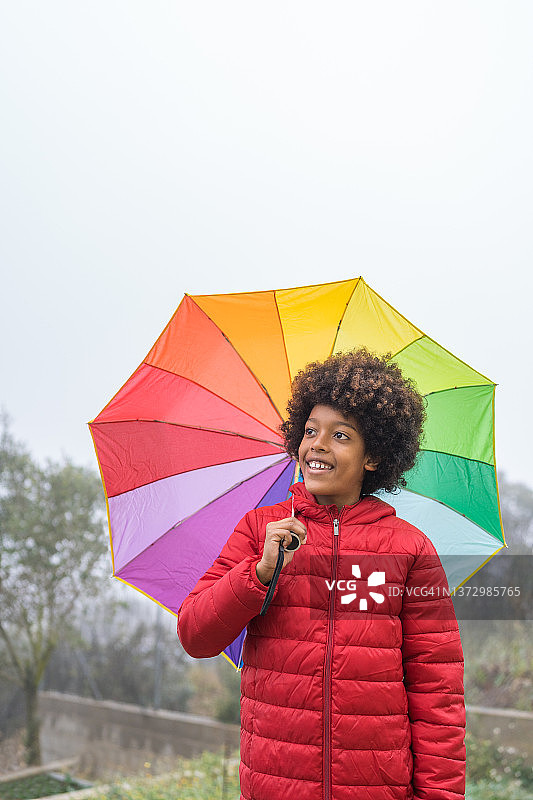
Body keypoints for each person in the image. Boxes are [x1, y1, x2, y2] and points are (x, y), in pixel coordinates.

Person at [177, 348, 466, 800]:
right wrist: (258, 574)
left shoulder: (410, 550)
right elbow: (196, 635)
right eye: (310, 431)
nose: (318, 444)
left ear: (374, 458)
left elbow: (438, 691)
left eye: (340, 435)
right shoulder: (260, 531)